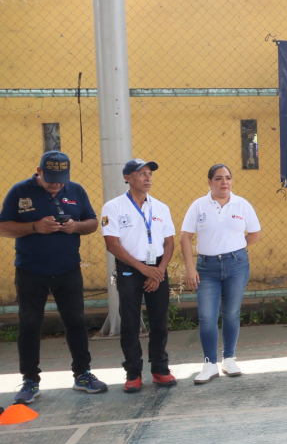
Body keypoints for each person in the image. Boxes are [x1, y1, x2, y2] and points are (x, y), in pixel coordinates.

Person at [0, 151, 107, 404]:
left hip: (68, 269)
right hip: (30, 271)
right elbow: (3, 226)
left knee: (76, 322)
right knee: (29, 324)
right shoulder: (19, 192)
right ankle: (30, 381)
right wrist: (34, 227)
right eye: (51, 180)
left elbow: (92, 223)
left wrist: (75, 226)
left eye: (61, 181)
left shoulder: (76, 191)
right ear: (39, 172)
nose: (56, 185)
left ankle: (83, 374)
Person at [181, 164, 263, 384]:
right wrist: (190, 268)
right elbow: (185, 237)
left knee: (231, 313)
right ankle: (209, 363)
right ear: (209, 182)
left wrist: (236, 247)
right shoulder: (198, 206)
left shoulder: (242, 204)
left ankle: (229, 358)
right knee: (207, 316)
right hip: (206, 268)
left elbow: (256, 233)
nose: (224, 182)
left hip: (236, 265)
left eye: (228, 178)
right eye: (218, 179)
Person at [101, 159, 177, 392]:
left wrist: (159, 271)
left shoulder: (161, 207)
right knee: (131, 323)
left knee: (159, 321)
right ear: (127, 178)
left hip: (157, 268)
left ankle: (160, 370)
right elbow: (112, 244)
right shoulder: (113, 207)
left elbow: (169, 242)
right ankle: (133, 373)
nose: (147, 178)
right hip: (129, 269)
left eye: (149, 174)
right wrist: (143, 269)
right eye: (141, 173)